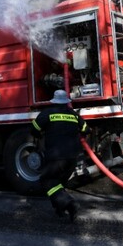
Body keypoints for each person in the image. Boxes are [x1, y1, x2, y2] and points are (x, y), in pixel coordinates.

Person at [31, 89, 88, 222]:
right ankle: (59, 210)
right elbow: (86, 128)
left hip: (56, 157)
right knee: (58, 184)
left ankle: (70, 204)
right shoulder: (73, 114)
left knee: (46, 181)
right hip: (72, 158)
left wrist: (41, 136)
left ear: (54, 101)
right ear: (66, 102)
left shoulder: (47, 113)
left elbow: (34, 129)